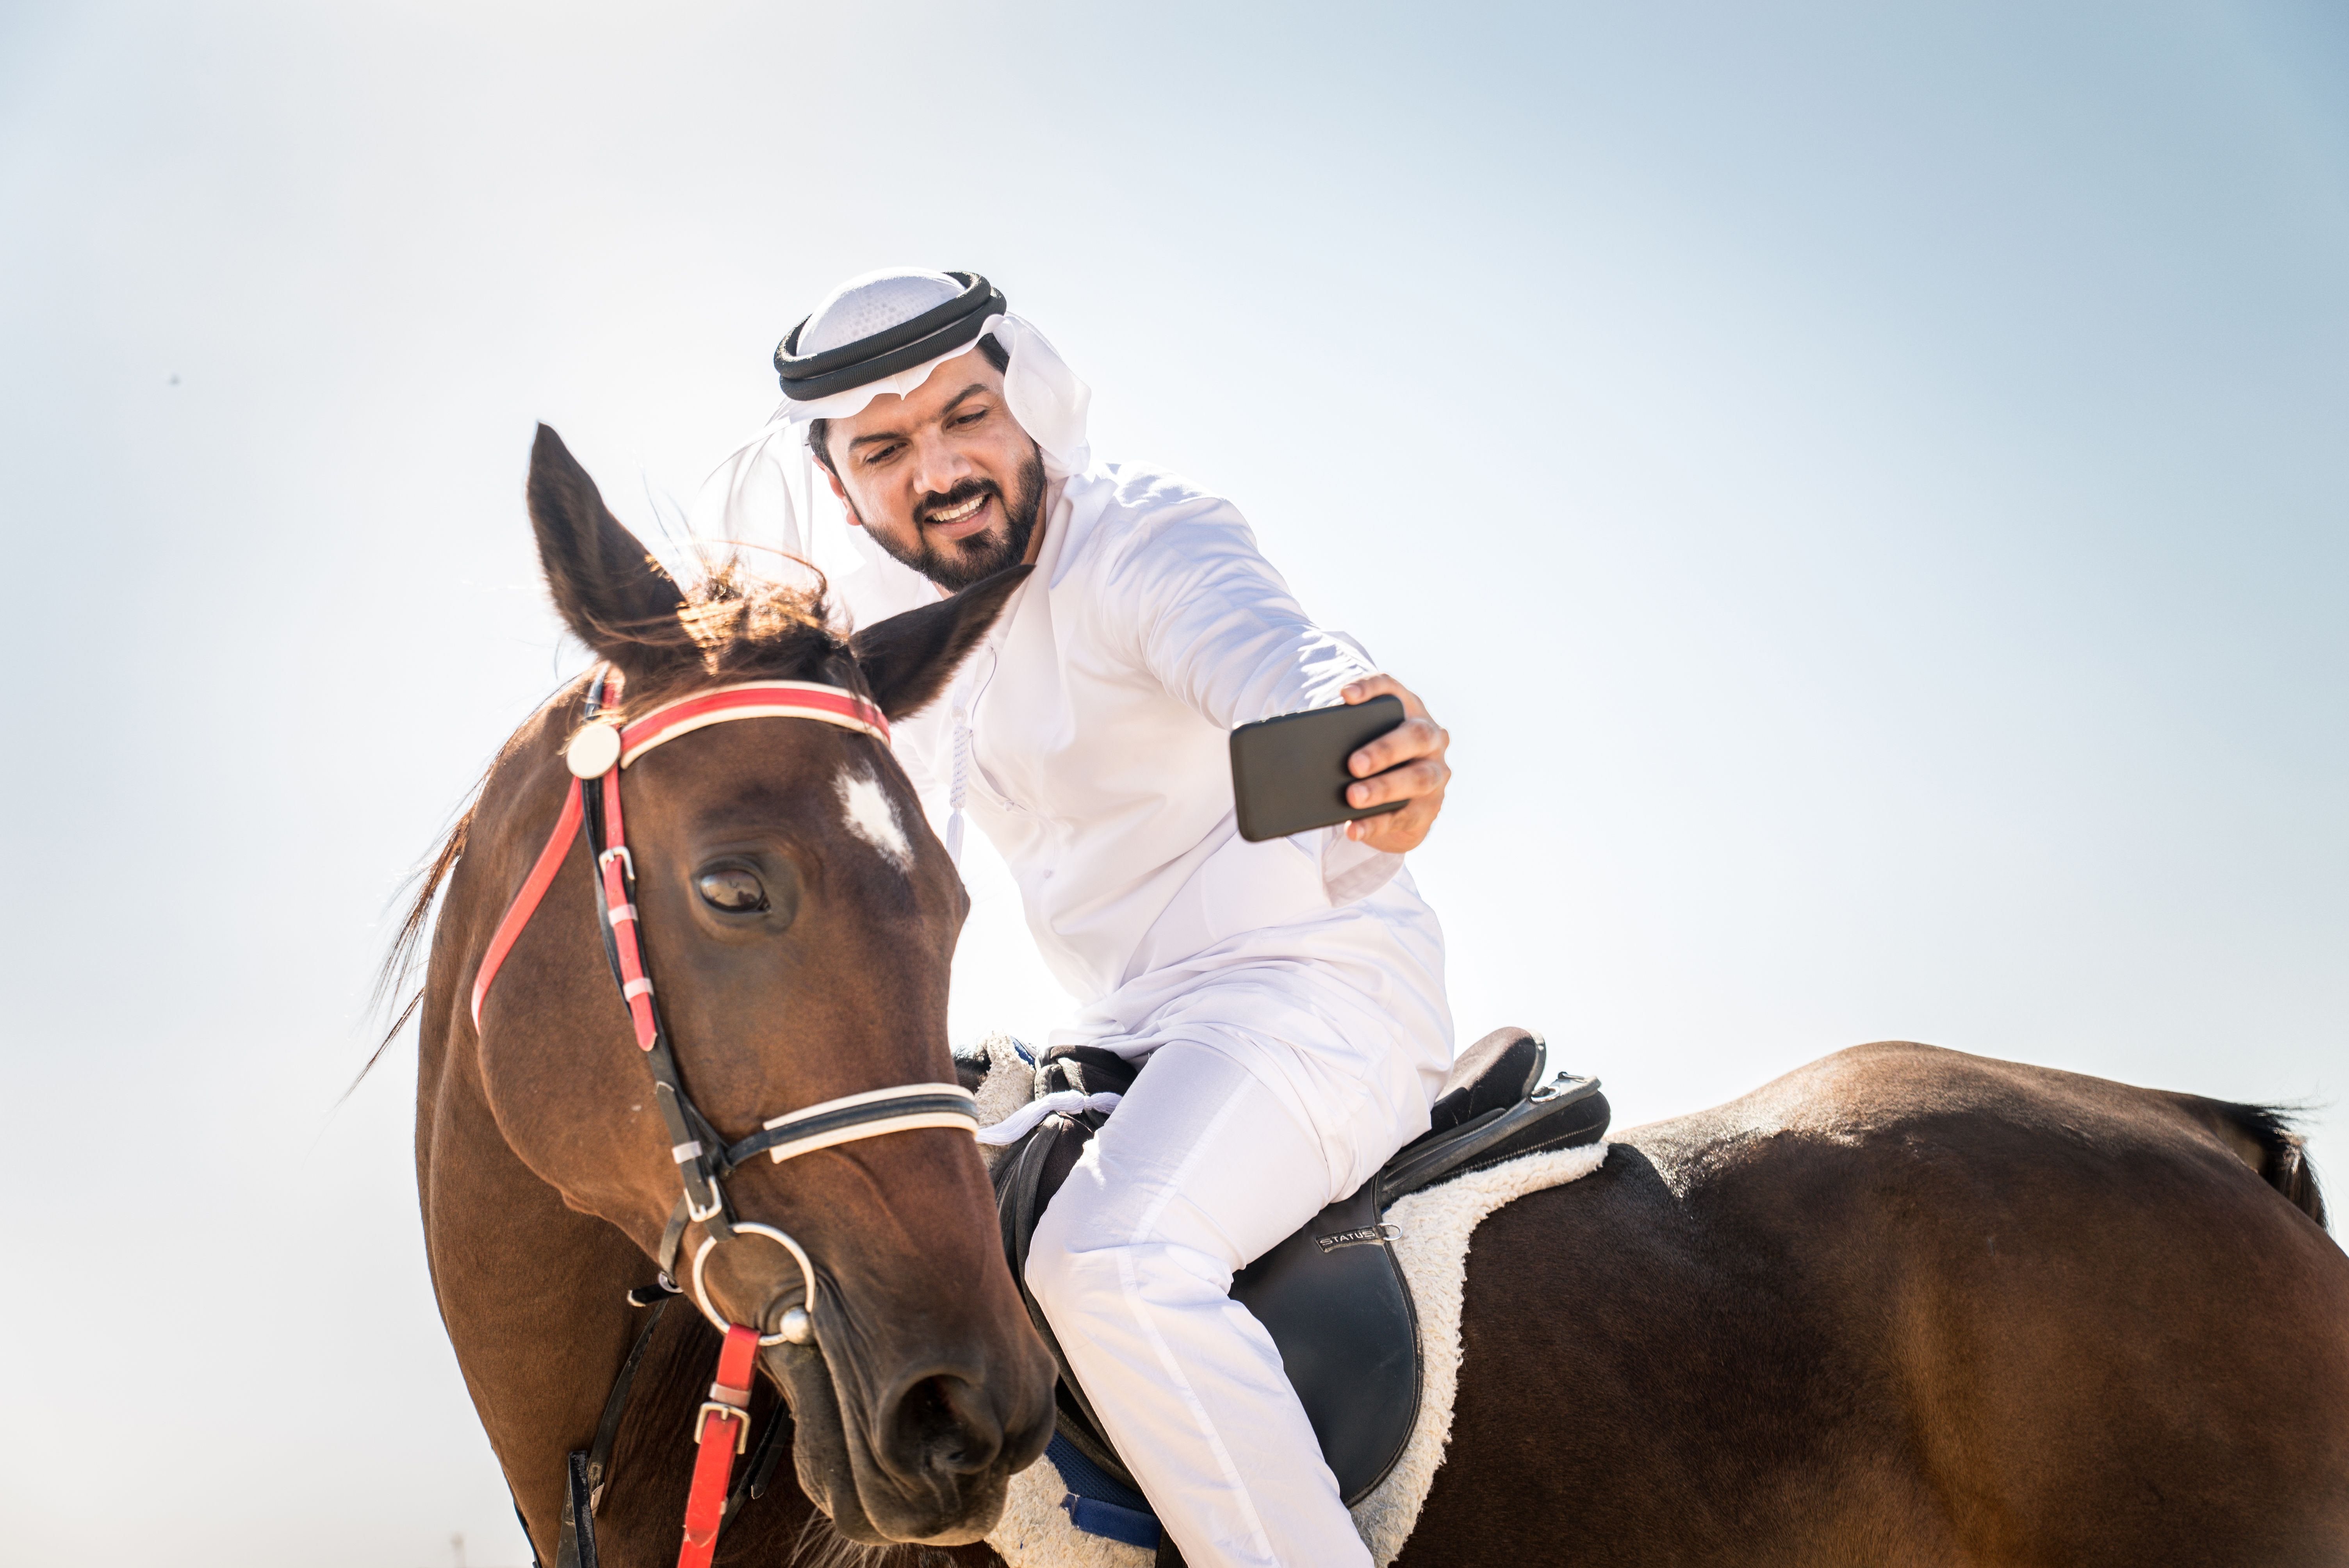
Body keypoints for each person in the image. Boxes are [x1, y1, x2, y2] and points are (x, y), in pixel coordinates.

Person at [694, 268, 1453, 1568]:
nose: (942, 469)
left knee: (1112, 1263)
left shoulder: (1140, 537)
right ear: (838, 485)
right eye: (886, 448)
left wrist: (1359, 722)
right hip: (1115, 1040)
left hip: (1311, 995)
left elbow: (1266, 647)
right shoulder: (894, 642)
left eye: (968, 417)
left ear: (1027, 405)